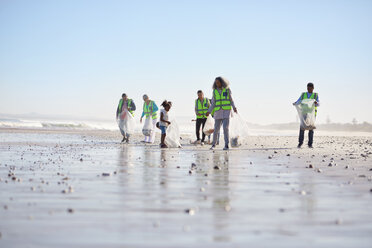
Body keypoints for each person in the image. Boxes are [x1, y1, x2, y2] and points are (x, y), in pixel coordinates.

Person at [206, 77, 237, 150]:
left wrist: (234, 107)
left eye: (218, 82)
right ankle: (213, 144)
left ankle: (226, 145)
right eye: (216, 82)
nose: (217, 84)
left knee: (225, 128)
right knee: (216, 129)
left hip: (226, 112)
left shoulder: (227, 90)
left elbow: (231, 100)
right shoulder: (215, 91)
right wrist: (209, 111)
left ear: (222, 82)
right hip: (218, 113)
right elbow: (213, 103)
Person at [293, 82, 320, 148]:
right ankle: (300, 143)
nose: (309, 89)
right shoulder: (303, 94)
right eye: (308, 88)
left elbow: (318, 104)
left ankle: (310, 144)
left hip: (312, 114)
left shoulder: (315, 95)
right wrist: (295, 103)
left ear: (313, 88)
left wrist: (316, 103)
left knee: (311, 128)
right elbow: (299, 101)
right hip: (304, 113)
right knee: (302, 127)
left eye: (310, 88)